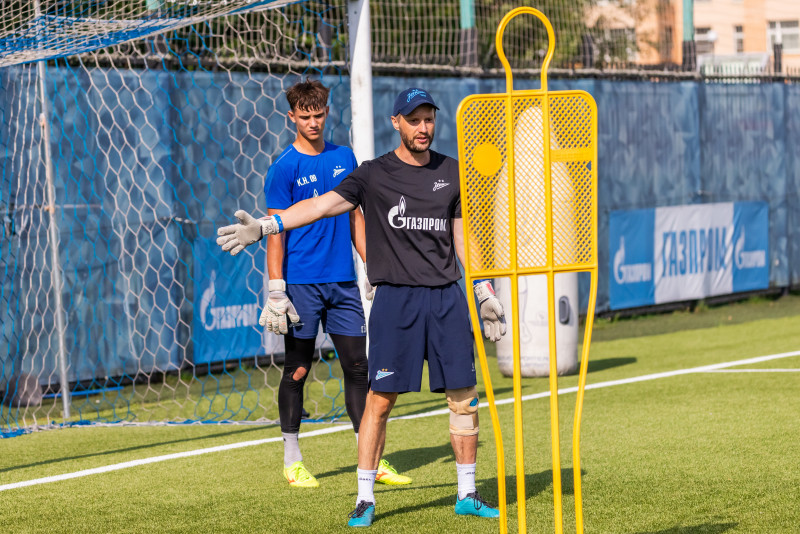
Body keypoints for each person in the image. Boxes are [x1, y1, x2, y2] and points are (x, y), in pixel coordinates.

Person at [219, 87, 507, 527]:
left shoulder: (453, 172)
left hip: (447, 299)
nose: (423, 128)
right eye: (414, 120)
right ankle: (365, 497)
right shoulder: (371, 174)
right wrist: (267, 225)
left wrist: (484, 290)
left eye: (429, 119)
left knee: (464, 399)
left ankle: (467, 491)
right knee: (380, 399)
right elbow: (321, 205)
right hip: (395, 301)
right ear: (396, 122)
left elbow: (462, 236)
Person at [216, 79, 410, 489]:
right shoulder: (283, 167)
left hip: (343, 285)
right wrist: (276, 287)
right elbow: (275, 231)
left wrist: (371, 265)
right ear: (292, 117)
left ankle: (370, 458)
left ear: (326, 112)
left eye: (318, 114)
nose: (313, 122)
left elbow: (356, 217)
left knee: (359, 368)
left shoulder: (345, 156)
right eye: (304, 116)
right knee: (299, 369)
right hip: (301, 286)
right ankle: (292, 459)